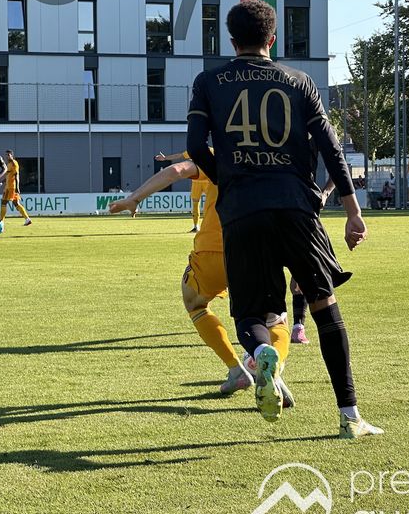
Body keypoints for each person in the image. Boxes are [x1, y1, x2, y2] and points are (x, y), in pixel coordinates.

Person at [185, 0, 382, 437]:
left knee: (250, 314)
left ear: (231, 41)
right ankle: (350, 416)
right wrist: (353, 212)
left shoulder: (208, 82)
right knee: (324, 307)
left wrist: (230, 180)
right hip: (297, 208)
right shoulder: (299, 81)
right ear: (272, 39)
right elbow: (331, 149)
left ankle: (259, 356)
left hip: (243, 211)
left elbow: (196, 146)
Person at [109, 150, 292, 397]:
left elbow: (177, 170)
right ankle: (275, 373)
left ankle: (236, 370)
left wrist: (135, 198)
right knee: (275, 320)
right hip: (258, 253)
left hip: (212, 251)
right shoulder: (275, 157)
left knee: (195, 304)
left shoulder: (222, 155)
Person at [155, 151, 209, 232]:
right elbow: (179, 155)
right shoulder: (193, 150)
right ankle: (196, 226)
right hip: (196, 182)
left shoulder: (212, 150)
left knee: (211, 204)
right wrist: (165, 158)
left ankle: (210, 226)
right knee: (195, 205)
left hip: (208, 181)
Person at [0, 150, 32, 227]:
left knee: (3, 202)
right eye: (6, 155)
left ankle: (1, 222)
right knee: (16, 203)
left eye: (8, 155)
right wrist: (1, 182)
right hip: (8, 186)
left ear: (12, 155)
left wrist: (17, 187)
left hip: (11, 187)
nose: (7, 156)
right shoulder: (8, 164)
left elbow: (16, 175)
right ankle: (27, 219)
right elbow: (8, 176)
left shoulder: (14, 163)